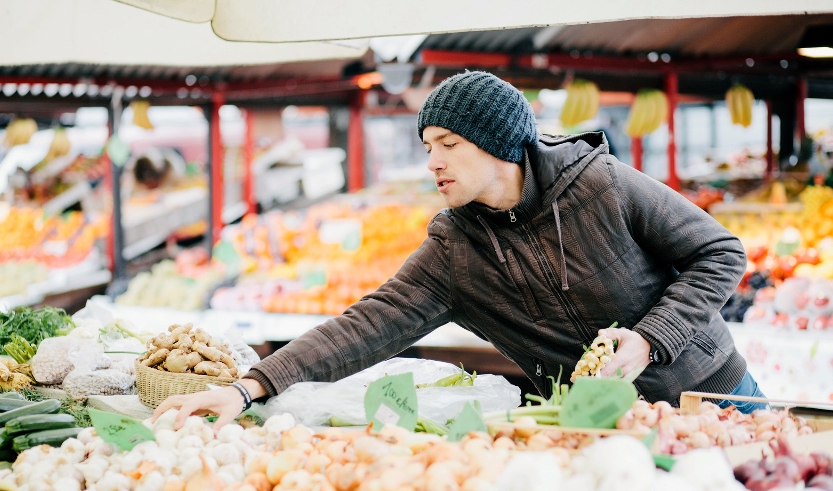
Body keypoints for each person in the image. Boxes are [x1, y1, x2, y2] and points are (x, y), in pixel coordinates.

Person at [154, 71, 764, 430]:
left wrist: (651, 335)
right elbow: (366, 324)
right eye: (427, 146)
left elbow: (721, 252)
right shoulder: (454, 250)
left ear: (497, 142)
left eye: (448, 143)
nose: (433, 161)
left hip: (712, 394)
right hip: (604, 427)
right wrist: (250, 386)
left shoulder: (599, 183)